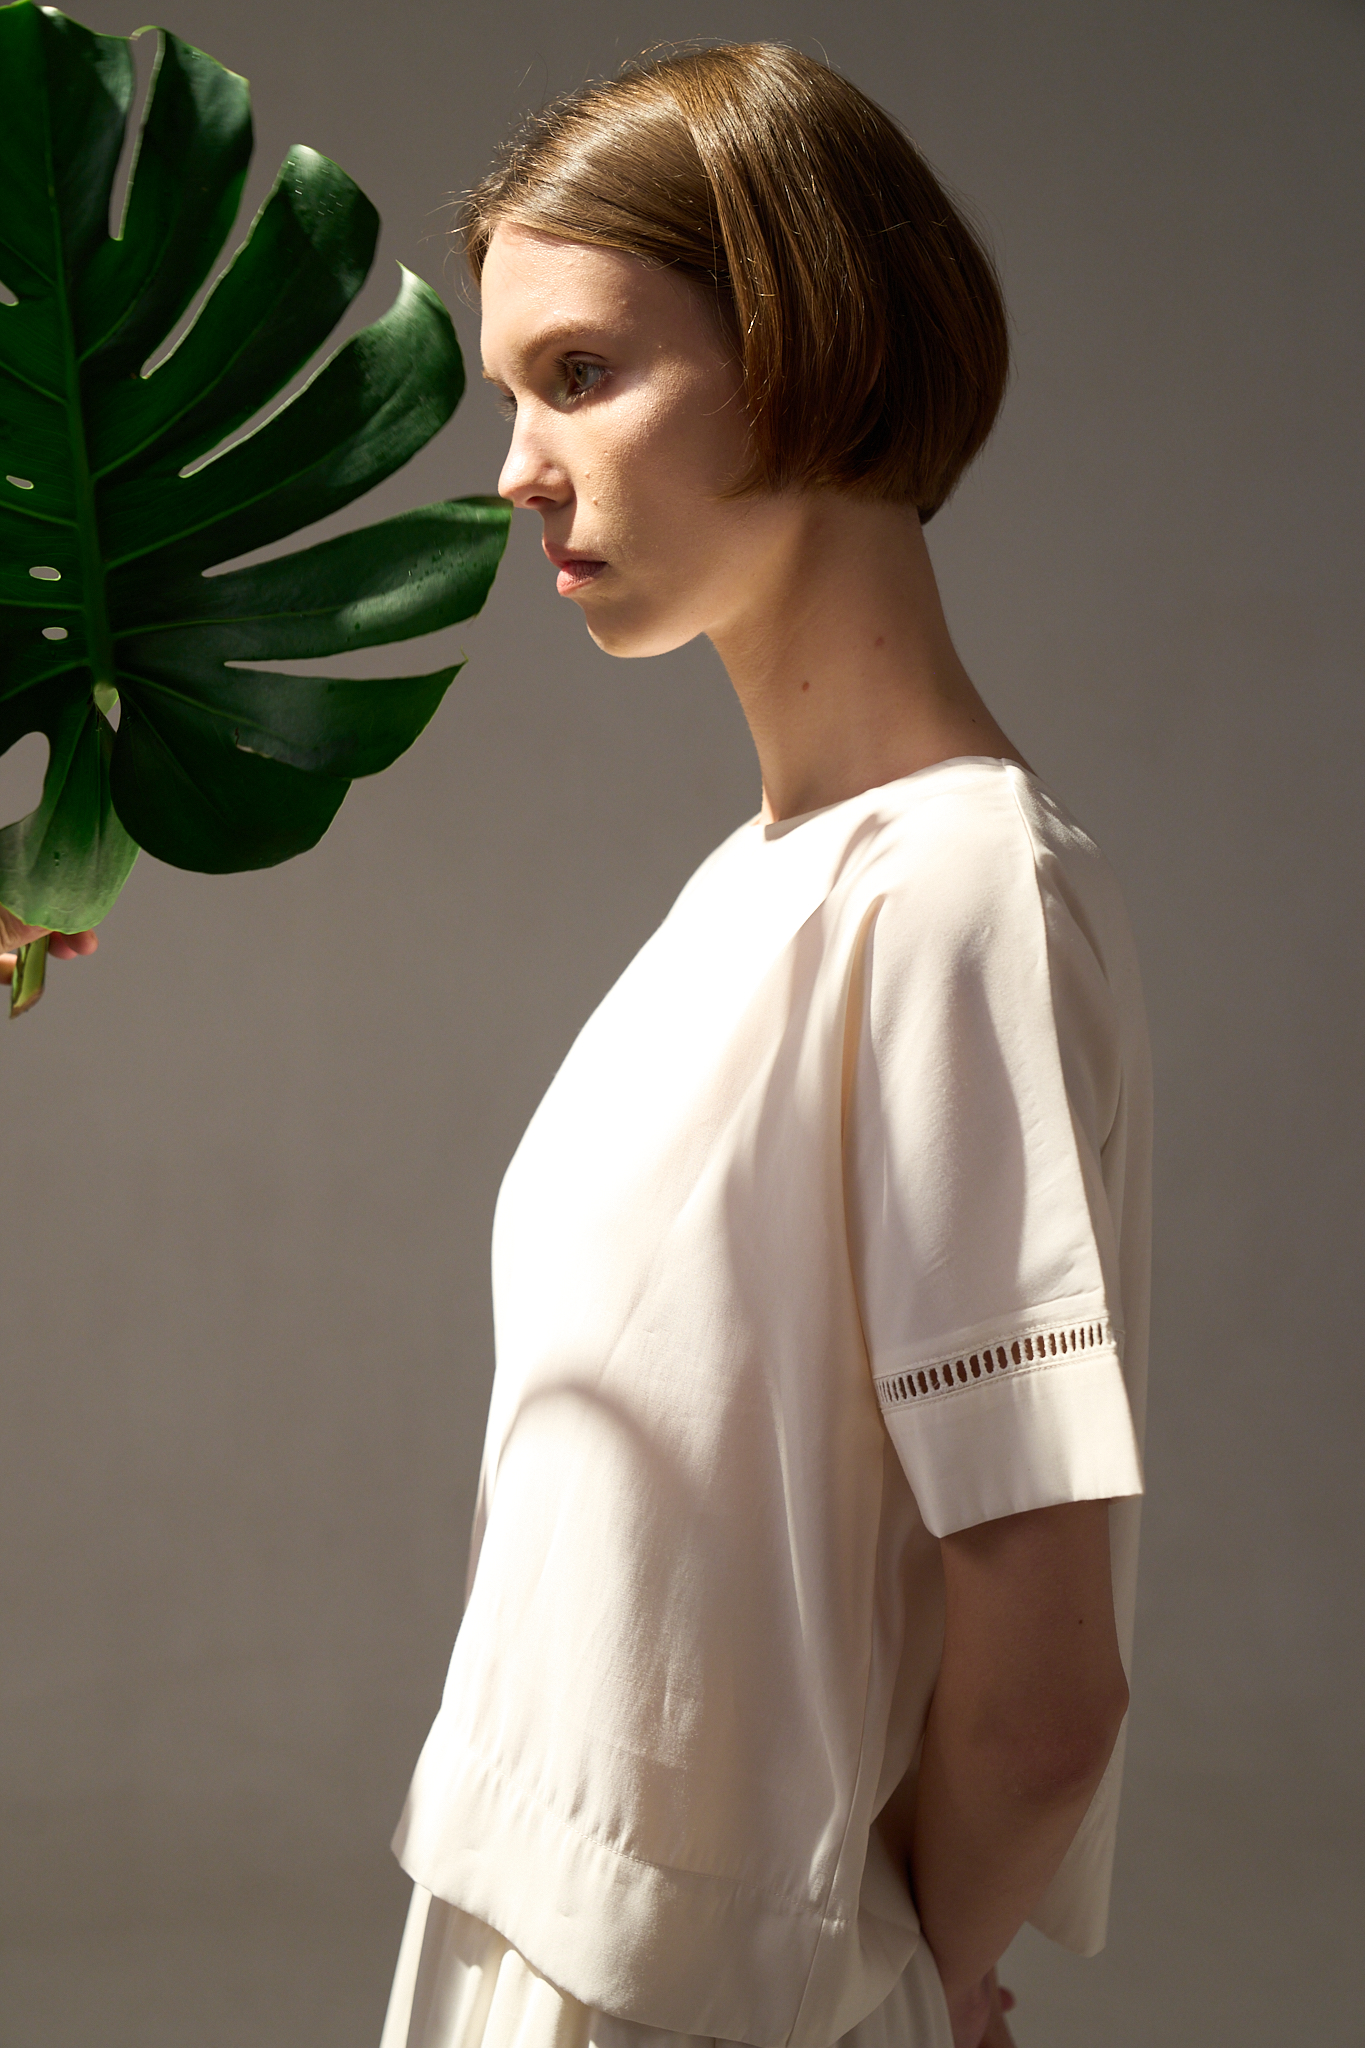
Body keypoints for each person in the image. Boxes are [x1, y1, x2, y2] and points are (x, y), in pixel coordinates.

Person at [379, 42, 1150, 2048]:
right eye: (510, 395)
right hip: (524, 1935)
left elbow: (1042, 1686)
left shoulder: (954, 895)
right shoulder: (761, 883)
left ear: (806, 342)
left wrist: (921, 1980)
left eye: (580, 373)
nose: (516, 468)